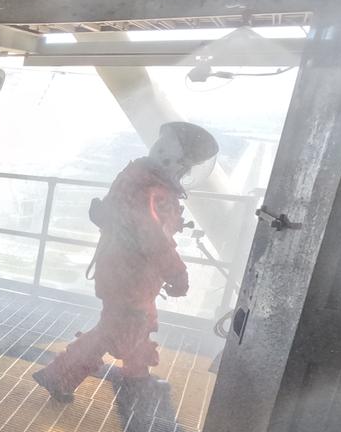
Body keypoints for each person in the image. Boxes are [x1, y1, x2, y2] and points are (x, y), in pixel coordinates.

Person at [33, 121, 218, 403]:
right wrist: (178, 274)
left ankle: (137, 377)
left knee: (140, 324)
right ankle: (59, 377)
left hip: (126, 273)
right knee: (112, 332)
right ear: (178, 161)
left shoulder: (139, 176)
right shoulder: (152, 189)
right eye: (188, 165)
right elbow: (153, 239)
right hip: (128, 277)